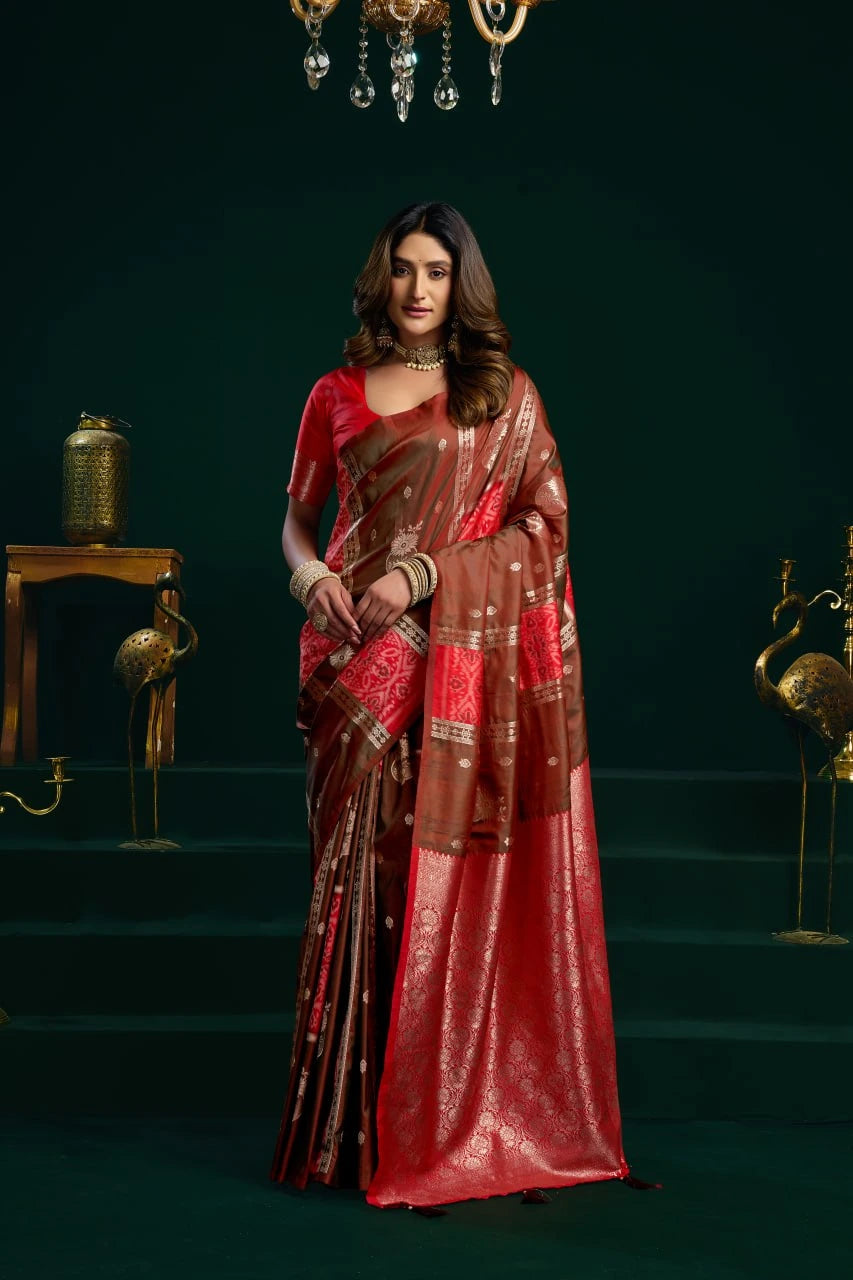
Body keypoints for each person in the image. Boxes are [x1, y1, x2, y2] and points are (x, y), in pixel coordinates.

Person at [271, 201, 637, 1210]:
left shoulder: (502, 398)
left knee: (428, 881)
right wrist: (311, 582)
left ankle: (434, 1116)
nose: (420, 288)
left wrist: (429, 572)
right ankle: (344, 1134)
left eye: (438, 269)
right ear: (379, 278)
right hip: (350, 664)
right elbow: (298, 524)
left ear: (461, 282)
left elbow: (542, 529)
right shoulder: (332, 392)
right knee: (355, 888)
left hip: (447, 668)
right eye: (403, 268)